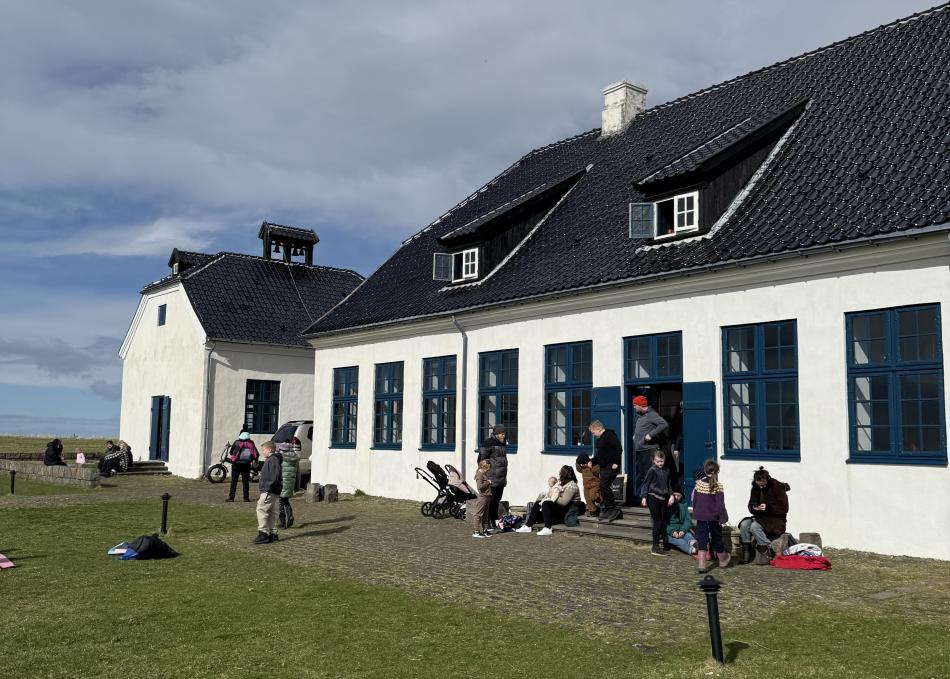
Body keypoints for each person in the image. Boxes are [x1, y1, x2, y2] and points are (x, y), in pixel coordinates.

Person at [739, 466, 791, 565]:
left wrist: (768, 507)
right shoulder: (755, 487)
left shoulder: (777, 487)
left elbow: (784, 508)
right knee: (744, 524)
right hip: (760, 517)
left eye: (763, 485)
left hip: (776, 519)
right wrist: (755, 508)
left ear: (767, 480)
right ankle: (746, 553)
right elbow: (751, 504)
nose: (761, 487)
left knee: (754, 527)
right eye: (759, 485)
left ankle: (767, 551)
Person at [691, 459, 731, 573]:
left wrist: (696, 512)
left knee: (702, 538)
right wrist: (723, 518)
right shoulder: (718, 486)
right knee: (717, 538)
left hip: (701, 517)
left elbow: (695, 500)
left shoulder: (699, 484)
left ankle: (702, 565)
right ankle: (723, 559)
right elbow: (720, 505)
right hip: (713, 517)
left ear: (705, 470)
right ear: (717, 471)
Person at [516, 466, 580, 535]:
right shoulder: (564, 484)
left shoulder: (572, 486)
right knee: (539, 503)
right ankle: (528, 526)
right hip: (561, 508)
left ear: (565, 474)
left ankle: (548, 528)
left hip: (567, 509)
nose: (559, 474)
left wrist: (551, 495)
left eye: (561, 472)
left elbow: (564, 502)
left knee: (546, 503)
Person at [631, 395, 669, 497]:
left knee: (652, 475)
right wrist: (636, 435)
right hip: (641, 450)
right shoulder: (641, 416)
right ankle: (646, 498)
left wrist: (650, 435)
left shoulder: (651, 414)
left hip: (649, 450)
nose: (634, 407)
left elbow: (664, 424)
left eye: (635, 405)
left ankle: (654, 498)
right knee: (644, 475)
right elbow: (645, 427)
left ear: (640, 405)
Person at [639, 450, 675, 556]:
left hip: (663, 498)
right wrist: (644, 497)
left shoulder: (667, 470)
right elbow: (646, 484)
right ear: (653, 461)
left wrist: (671, 495)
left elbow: (669, 485)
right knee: (657, 521)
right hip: (652, 497)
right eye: (658, 461)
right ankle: (655, 546)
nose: (660, 464)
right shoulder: (652, 470)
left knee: (663, 520)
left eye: (662, 461)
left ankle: (665, 543)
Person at [588, 420, 622, 523]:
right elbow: (599, 455)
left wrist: (616, 462)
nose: (593, 435)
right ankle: (608, 509)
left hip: (612, 466)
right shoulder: (599, 440)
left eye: (594, 432)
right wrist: (592, 461)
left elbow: (618, 448)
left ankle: (613, 508)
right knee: (603, 487)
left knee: (604, 485)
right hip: (603, 467)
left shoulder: (609, 435)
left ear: (598, 429)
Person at [477, 424, 508, 527]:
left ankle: (494, 522)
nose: (503, 436)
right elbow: (481, 460)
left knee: (496, 501)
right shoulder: (488, 443)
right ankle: (487, 524)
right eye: (501, 434)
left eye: (504, 434)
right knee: (490, 502)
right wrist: (485, 475)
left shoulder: (502, 444)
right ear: (496, 434)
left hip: (501, 478)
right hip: (491, 478)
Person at [253, 441, 283, 544]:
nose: (263, 452)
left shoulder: (273, 460)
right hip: (272, 490)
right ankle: (273, 534)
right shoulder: (272, 460)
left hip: (269, 490)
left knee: (261, 509)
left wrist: (268, 487)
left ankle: (263, 533)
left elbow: (274, 476)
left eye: (264, 450)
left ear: (269, 450)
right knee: (271, 512)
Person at [227, 428, 259, 503]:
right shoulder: (251, 443)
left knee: (234, 481)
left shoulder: (236, 442)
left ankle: (231, 498)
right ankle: (246, 498)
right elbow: (255, 454)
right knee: (245, 482)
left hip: (236, 464)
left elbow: (231, 452)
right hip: (246, 464)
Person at [665, 486, 696, 556]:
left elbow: (687, 520)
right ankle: (692, 550)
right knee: (679, 541)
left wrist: (683, 530)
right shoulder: (665, 505)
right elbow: (662, 522)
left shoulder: (683, 505)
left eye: (678, 496)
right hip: (669, 532)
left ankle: (694, 544)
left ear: (681, 496)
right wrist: (672, 532)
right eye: (674, 495)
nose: (676, 497)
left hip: (681, 529)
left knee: (688, 535)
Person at [277, 442, 300, 530]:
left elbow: (278, 472)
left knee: (281, 502)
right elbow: (298, 473)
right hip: (290, 483)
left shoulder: (281, 458)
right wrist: (296, 487)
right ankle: (290, 517)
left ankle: (283, 522)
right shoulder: (295, 459)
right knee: (285, 501)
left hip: (282, 483)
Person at [472, 459, 492, 538]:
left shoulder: (483, 474)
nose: (488, 471)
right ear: (484, 467)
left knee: (485, 515)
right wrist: (488, 482)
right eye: (488, 469)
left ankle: (485, 530)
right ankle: (476, 531)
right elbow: (479, 487)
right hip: (482, 497)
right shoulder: (479, 474)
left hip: (487, 496)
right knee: (479, 514)